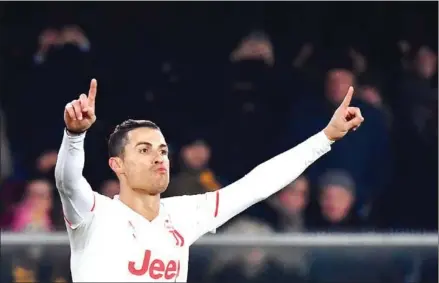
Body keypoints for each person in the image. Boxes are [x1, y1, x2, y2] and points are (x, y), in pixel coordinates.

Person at [55, 79, 363, 282]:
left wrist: (326, 137)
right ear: (117, 164)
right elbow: (68, 181)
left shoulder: (184, 214)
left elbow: (257, 184)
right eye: (145, 150)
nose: (158, 157)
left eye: (162, 150)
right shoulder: (96, 213)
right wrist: (74, 135)